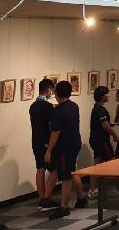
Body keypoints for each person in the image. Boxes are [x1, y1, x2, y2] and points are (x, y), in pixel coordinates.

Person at [44, 80, 87, 220]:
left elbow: (55, 132)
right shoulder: (74, 106)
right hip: (75, 143)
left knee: (65, 177)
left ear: (57, 93)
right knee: (72, 171)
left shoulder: (58, 111)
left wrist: (49, 151)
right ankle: (81, 198)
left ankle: (64, 207)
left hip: (64, 147)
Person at [29, 78, 58, 210]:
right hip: (46, 143)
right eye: (52, 90)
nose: (52, 93)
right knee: (55, 170)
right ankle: (46, 199)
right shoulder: (48, 107)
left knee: (40, 169)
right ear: (49, 90)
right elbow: (52, 127)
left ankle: (41, 198)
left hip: (36, 141)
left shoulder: (33, 106)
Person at [88, 86, 119, 199]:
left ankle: (92, 190)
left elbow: (104, 124)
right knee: (111, 162)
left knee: (97, 164)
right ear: (102, 96)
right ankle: (111, 189)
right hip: (101, 141)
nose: (108, 96)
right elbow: (105, 126)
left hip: (95, 139)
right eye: (107, 94)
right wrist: (115, 135)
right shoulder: (100, 110)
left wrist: (110, 125)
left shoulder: (96, 108)